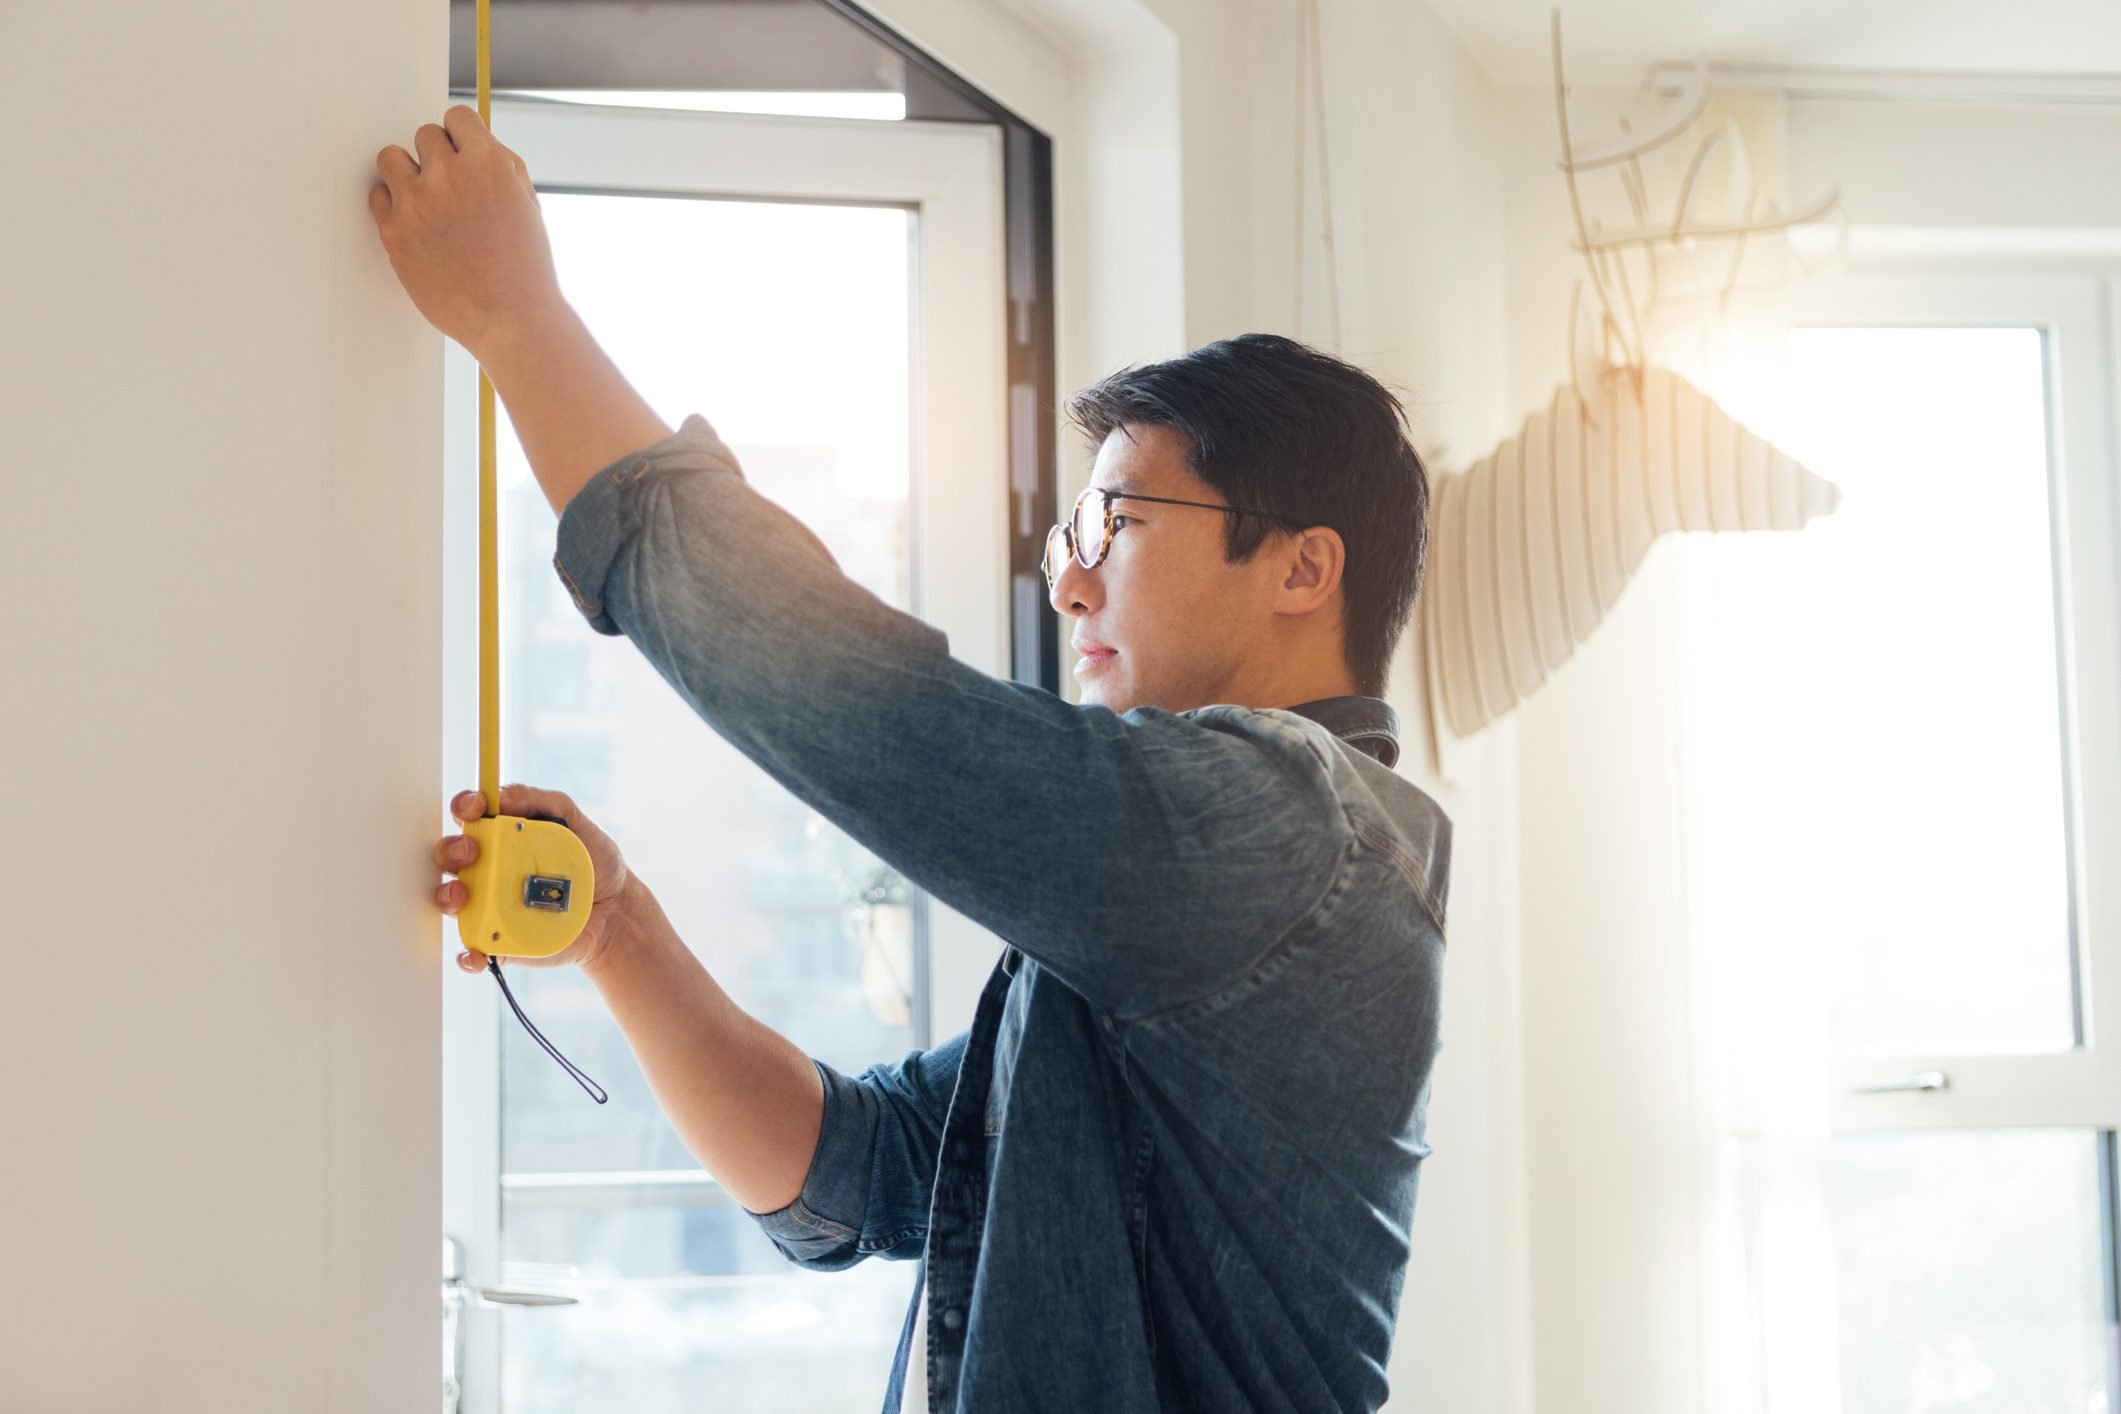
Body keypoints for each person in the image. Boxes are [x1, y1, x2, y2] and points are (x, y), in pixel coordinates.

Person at [379, 105, 1450, 1414]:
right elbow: (853, 1170)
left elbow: (870, 712)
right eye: (1067, 540)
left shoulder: (1283, 838)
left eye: (1112, 524)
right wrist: (617, 930)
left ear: (1301, 564)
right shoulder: (1193, 899)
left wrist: (520, 325)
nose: (1068, 587)